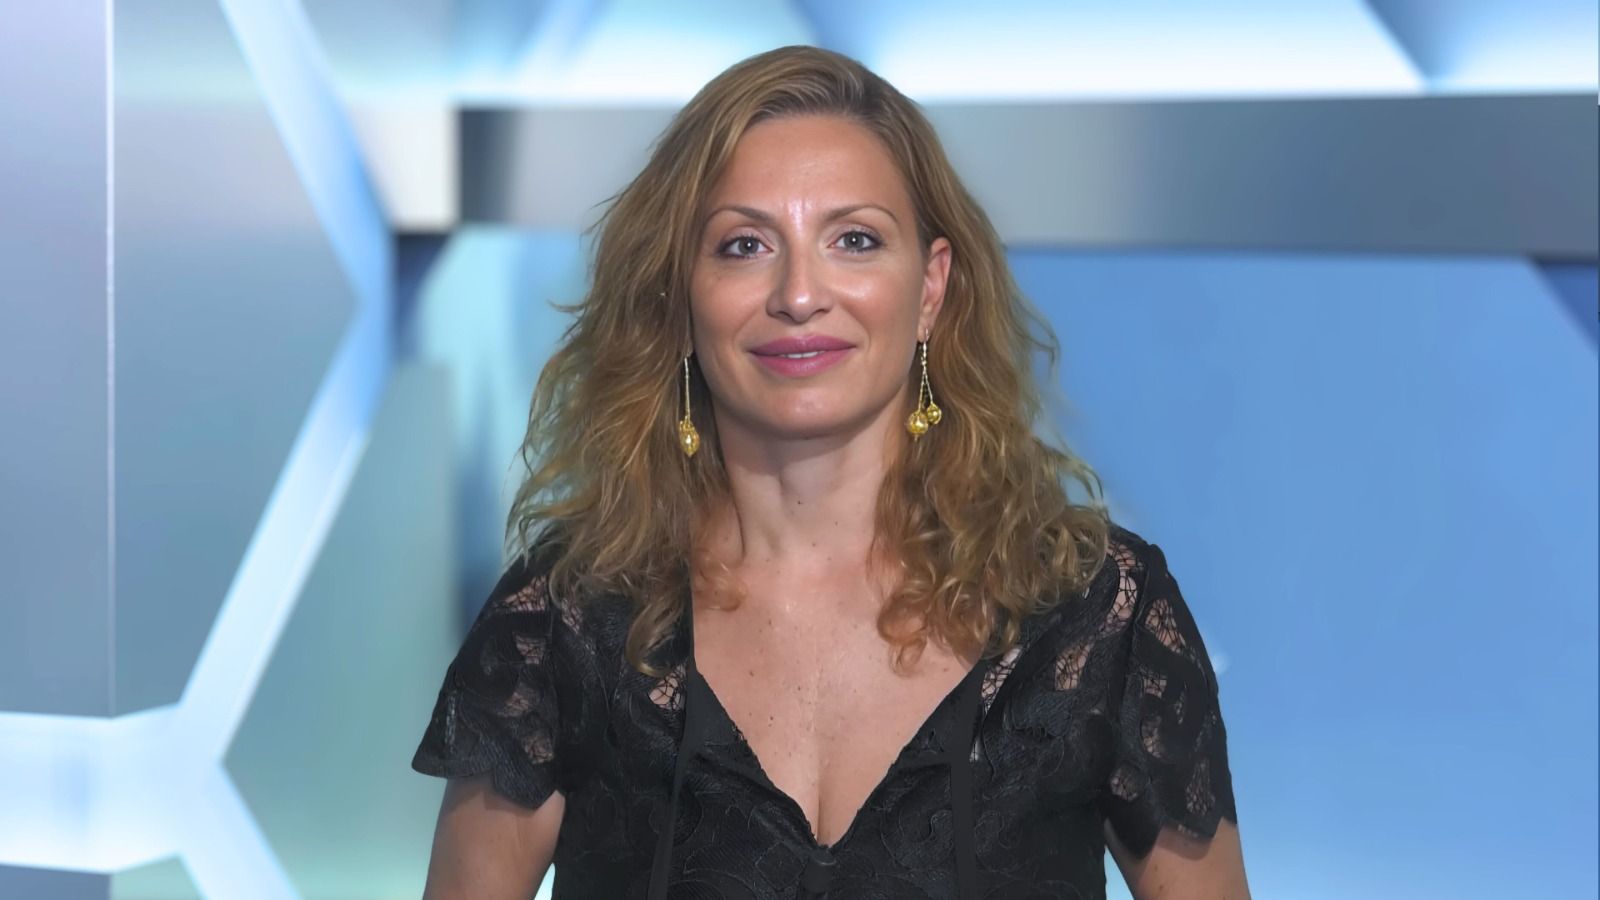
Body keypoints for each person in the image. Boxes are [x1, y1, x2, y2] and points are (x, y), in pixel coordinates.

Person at [412, 44, 1249, 899]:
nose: (800, 293)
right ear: (679, 298)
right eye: (744, 244)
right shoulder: (562, 618)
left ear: (930, 289)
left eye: (854, 240)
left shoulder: (1099, 613)